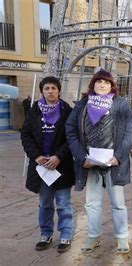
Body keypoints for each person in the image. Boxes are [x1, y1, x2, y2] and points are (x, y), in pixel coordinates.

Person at [65, 69, 132, 254]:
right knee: (92, 202)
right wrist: (82, 157)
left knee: (118, 203)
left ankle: (121, 238)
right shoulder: (83, 104)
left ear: (112, 85)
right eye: (98, 82)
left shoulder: (120, 104)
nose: (102, 85)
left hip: (114, 163)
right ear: (93, 84)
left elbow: (130, 130)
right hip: (90, 163)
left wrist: (119, 156)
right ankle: (93, 236)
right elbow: (70, 129)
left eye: (106, 82)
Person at [20, 77, 75, 253]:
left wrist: (59, 156)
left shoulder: (68, 111)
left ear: (59, 91)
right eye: (46, 88)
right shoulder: (33, 111)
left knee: (64, 203)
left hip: (62, 166)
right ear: (42, 91)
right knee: (45, 203)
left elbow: (72, 137)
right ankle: (46, 234)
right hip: (42, 167)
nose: (50, 91)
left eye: (53, 88)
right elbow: (26, 135)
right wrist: (36, 156)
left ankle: (65, 235)